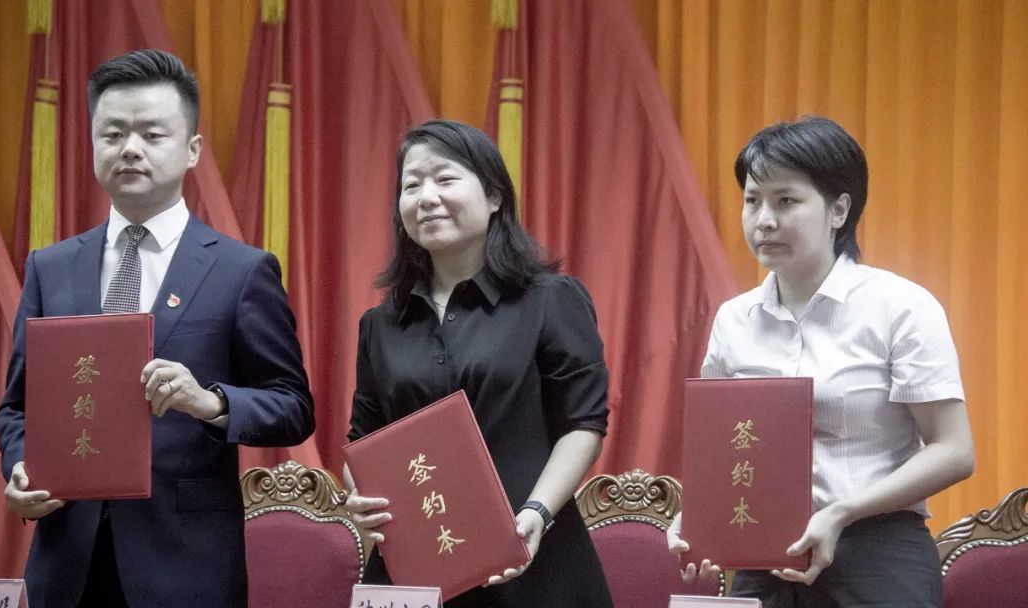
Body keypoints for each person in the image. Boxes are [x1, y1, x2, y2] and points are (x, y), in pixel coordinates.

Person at [0, 49, 314, 608]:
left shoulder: (240, 270)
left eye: (151, 134)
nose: (130, 148)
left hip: (185, 566)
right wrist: (21, 466)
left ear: (192, 149)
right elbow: (17, 407)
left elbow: (292, 407)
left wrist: (209, 402)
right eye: (113, 134)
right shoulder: (51, 267)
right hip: (67, 564)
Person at [667, 116, 975, 607]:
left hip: (878, 554)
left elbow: (954, 450)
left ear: (839, 210)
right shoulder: (734, 320)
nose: (764, 220)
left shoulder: (900, 307)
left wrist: (840, 513)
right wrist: (698, 519)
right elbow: (721, 450)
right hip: (765, 559)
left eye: (786, 201)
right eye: (752, 200)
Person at [343, 119, 614, 607]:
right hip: (419, 567)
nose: (426, 197)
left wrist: (537, 510)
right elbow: (363, 440)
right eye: (411, 185)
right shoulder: (380, 325)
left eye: (445, 179)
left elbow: (584, 424)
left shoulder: (550, 300)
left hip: (533, 556)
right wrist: (359, 497)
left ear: (493, 196)